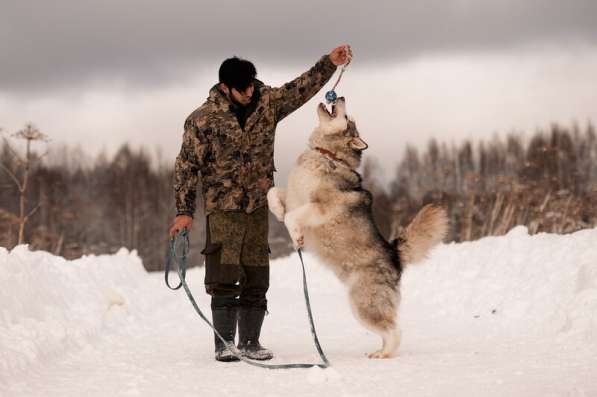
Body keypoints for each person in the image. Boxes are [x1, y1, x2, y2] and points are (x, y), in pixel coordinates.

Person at [169, 45, 352, 362]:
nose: (250, 92)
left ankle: (251, 342)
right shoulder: (202, 120)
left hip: (256, 206)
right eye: (243, 89)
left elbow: (301, 88)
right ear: (225, 87)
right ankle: (224, 344)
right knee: (223, 277)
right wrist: (184, 212)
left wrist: (329, 64)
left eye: (252, 85)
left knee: (256, 275)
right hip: (223, 208)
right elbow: (186, 167)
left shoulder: (267, 104)